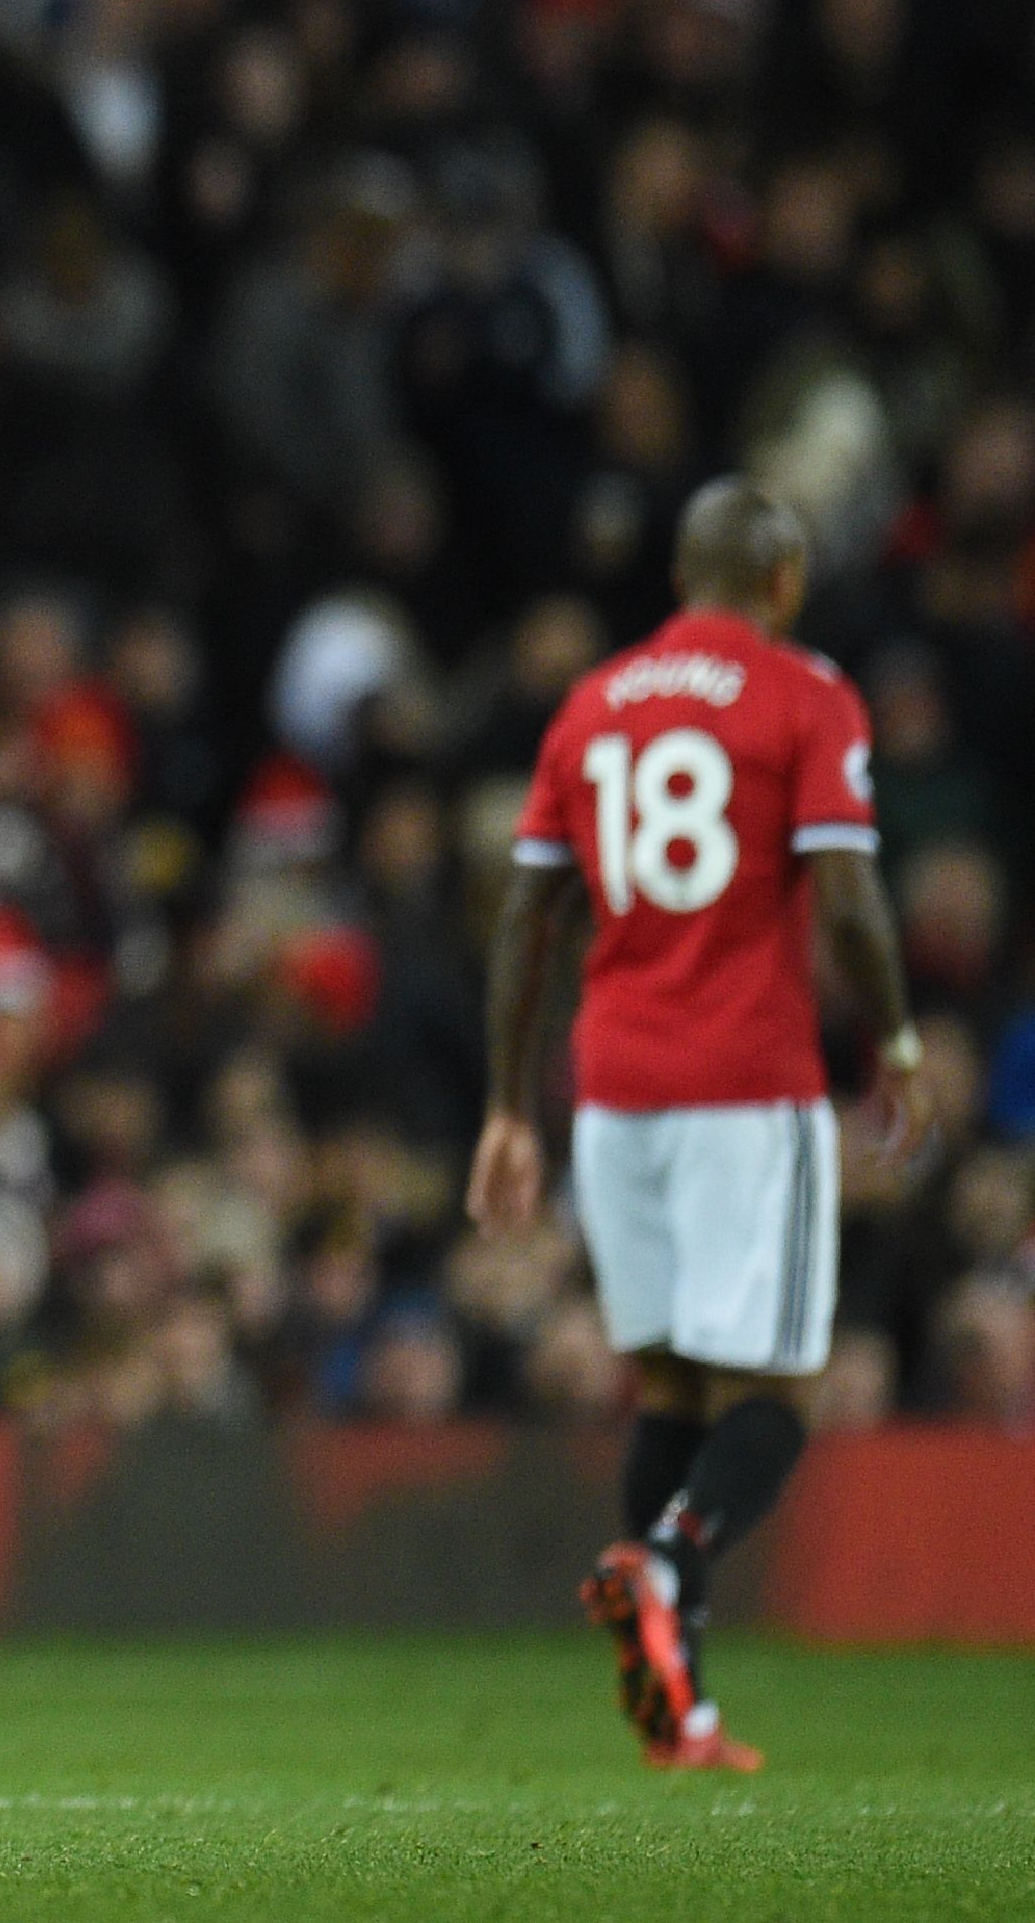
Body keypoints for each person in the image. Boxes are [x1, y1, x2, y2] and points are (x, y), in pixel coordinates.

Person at [470, 478, 932, 1772]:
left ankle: (682, 1708)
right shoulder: (806, 693)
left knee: (671, 1386)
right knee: (778, 1389)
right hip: (745, 1083)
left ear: (683, 579)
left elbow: (526, 921)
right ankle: (664, 1564)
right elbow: (846, 893)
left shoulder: (593, 703)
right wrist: (893, 1044)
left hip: (613, 1089)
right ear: (781, 582)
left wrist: (510, 1107)